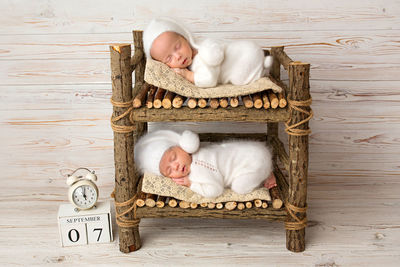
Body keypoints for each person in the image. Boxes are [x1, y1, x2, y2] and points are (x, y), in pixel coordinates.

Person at [134, 130, 277, 198]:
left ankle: (264, 174)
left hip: (254, 161)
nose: (176, 166)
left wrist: (191, 184)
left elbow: (215, 190)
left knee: (240, 188)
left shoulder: (198, 169)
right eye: (169, 171)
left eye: (174, 158)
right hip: (254, 151)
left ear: (183, 146)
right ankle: (266, 169)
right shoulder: (199, 150)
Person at [143, 17, 272, 88]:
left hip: (246, 55)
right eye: (169, 59)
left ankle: (259, 71)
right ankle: (261, 66)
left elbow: (209, 79)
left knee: (240, 78)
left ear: (185, 38)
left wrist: (188, 75)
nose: (178, 56)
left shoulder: (203, 55)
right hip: (250, 50)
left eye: (177, 47)